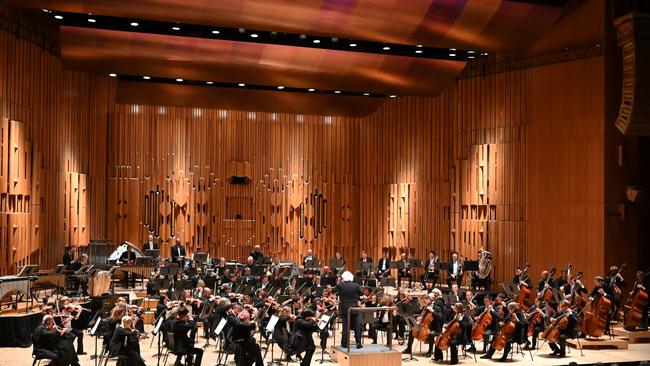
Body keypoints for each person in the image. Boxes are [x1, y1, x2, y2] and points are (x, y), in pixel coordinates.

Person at [402, 290, 443, 357]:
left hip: (434, 328)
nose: (424, 303)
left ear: (429, 300)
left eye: (425, 301)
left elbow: (440, 317)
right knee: (412, 330)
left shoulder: (437, 308)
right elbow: (420, 315)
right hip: (424, 327)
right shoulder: (425, 307)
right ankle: (409, 348)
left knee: (431, 334)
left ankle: (430, 351)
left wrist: (432, 311)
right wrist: (418, 318)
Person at [334, 271, 363, 348]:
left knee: (345, 327)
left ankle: (344, 343)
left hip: (344, 308)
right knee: (357, 326)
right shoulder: (356, 285)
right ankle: (358, 343)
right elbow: (361, 293)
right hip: (354, 308)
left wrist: (339, 284)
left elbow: (333, 291)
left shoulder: (340, 285)